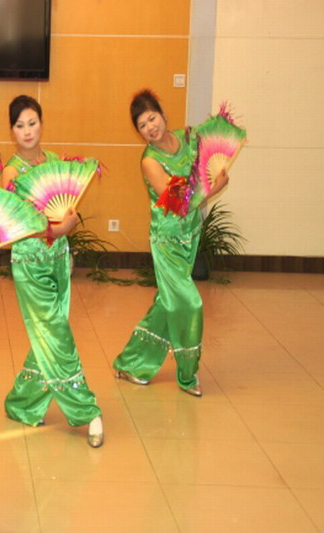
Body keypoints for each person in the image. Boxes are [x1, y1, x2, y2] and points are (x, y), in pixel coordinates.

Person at [1, 96, 103, 447]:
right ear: (12, 131)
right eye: (20, 125)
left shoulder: (56, 163)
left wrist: (66, 230)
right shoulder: (11, 173)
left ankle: (23, 401)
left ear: (41, 124)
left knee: (47, 332)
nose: (27, 131)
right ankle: (85, 409)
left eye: (32, 123)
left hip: (58, 258)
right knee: (57, 333)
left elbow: (66, 209)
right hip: (30, 263)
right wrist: (59, 229)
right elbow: (18, 226)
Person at [113, 89, 229, 397]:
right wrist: (214, 188)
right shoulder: (150, 162)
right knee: (189, 302)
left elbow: (205, 155)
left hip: (190, 234)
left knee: (167, 302)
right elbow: (179, 202)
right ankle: (188, 374)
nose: (150, 127)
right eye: (142, 125)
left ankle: (131, 363)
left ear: (162, 114)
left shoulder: (186, 138)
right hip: (167, 241)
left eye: (152, 118)